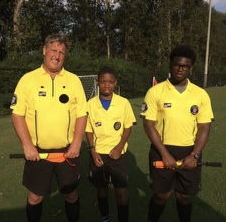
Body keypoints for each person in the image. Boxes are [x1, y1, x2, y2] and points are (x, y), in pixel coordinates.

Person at [10, 34, 87, 222]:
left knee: (71, 195)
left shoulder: (74, 80)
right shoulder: (27, 80)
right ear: (44, 51)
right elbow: (17, 113)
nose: (57, 55)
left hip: (67, 152)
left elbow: (82, 114)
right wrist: (28, 146)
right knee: (35, 197)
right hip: (38, 152)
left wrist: (76, 143)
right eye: (53, 50)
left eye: (61, 52)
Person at [140, 45, 214, 222]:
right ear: (170, 65)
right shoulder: (155, 91)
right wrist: (164, 154)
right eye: (177, 65)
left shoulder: (200, 94)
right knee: (161, 196)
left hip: (190, 151)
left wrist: (194, 154)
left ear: (191, 68)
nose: (181, 68)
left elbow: (204, 127)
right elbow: (148, 123)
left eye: (185, 66)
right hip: (161, 150)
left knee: (185, 196)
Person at [85, 66, 136, 222]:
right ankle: (105, 216)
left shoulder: (123, 103)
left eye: (110, 82)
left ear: (116, 83)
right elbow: (89, 130)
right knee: (102, 189)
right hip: (99, 154)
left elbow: (128, 126)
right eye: (103, 81)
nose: (107, 85)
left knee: (121, 192)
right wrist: (93, 151)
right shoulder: (90, 104)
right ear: (97, 83)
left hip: (118, 154)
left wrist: (120, 147)